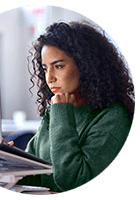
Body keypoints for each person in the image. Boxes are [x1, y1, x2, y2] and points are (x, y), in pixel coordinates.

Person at [18, 21, 135, 193]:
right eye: (45, 68)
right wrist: (6, 159)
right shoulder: (56, 110)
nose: (49, 78)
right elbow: (36, 175)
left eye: (58, 66)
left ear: (85, 66)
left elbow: (73, 181)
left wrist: (62, 113)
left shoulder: (114, 118)